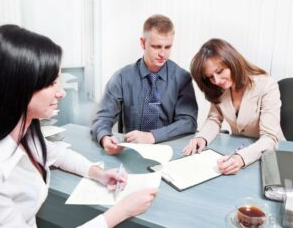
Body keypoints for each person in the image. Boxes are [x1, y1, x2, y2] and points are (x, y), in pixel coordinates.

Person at [0, 24, 157, 228]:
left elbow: (57, 154)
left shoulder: (25, 133)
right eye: (52, 83)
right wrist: (121, 211)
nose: (61, 92)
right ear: (18, 87)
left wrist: (99, 173)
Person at [91, 14, 198, 155]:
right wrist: (104, 137)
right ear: (143, 43)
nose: (163, 54)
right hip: (130, 152)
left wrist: (152, 136)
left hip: (168, 150)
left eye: (168, 47)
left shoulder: (182, 78)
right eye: (156, 46)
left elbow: (188, 121)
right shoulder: (122, 77)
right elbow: (103, 118)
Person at [183, 38, 284, 175]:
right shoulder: (218, 89)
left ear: (232, 61)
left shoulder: (266, 85)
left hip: (269, 154)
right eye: (210, 77)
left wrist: (241, 158)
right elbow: (214, 118)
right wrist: (202, 138)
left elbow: (270, 138)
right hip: (238, 149)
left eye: (219, 71)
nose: (216, 81)